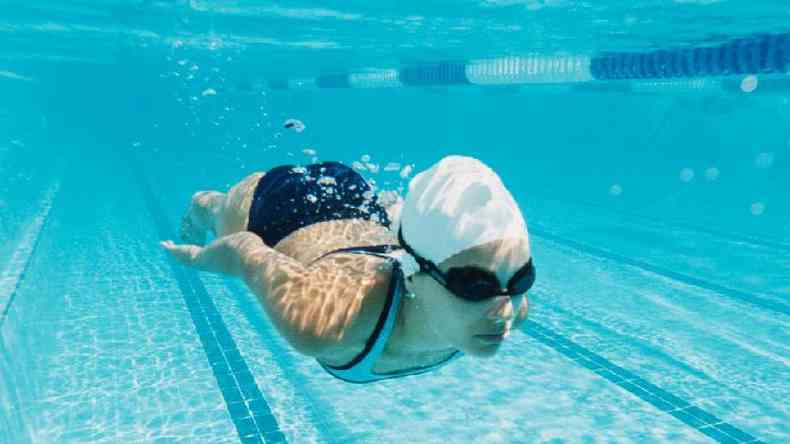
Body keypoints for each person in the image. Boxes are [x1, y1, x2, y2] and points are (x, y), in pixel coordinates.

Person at [161, 155, 535, 384]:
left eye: (522, 280)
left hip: (360, 208)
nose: (505, 310)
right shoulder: (325, 323)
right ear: (415, 272)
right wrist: (197, 259)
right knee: (221, 210)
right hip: (283, 212)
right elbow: (245, 250)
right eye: (474, 285)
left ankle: (392, 213)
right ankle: (206, 204)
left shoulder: (513, 307)